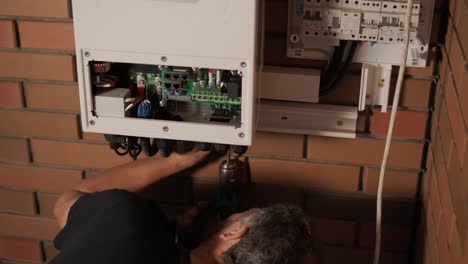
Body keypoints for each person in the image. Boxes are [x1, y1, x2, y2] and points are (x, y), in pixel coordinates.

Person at [51, 147, 317, 264]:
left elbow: (71, 199)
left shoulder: (127, 226)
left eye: (237, 215)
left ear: (233, 234)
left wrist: (176, 161)